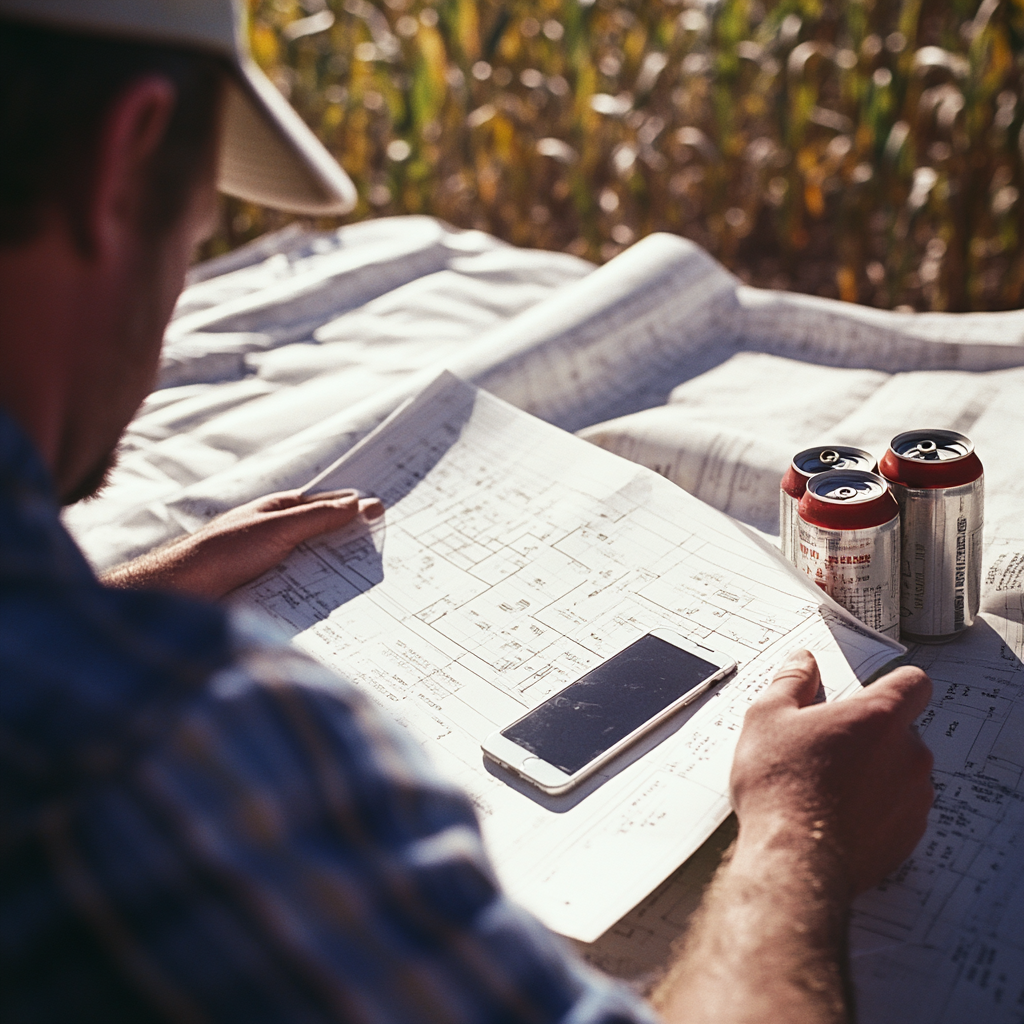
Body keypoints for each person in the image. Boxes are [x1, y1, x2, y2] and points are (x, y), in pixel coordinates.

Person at [0, 2, 934, 1022]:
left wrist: (102, 603)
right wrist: (798, 835)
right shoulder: (168, 753)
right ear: (121, 167)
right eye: (197, 234)